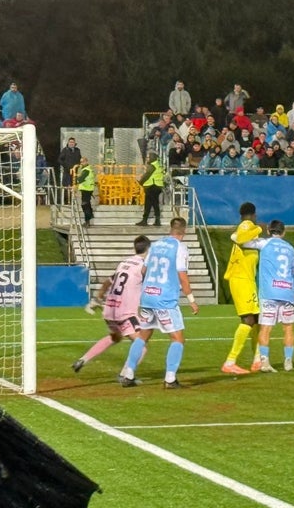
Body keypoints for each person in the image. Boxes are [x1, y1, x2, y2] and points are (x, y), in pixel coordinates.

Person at [119, 218, 200, 388]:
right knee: (177, 339)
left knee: (143, 336)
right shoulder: (180, 248)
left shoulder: (155, 245)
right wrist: (191, 300)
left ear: (171, 229)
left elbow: (143, 270)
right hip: (165, 299)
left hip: (148, 297)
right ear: (184, 231)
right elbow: (182, 276)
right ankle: (170, 379)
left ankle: (128, 374)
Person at [72, 236, 150, 376]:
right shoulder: (144, 266)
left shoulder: (124, 263)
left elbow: (108, 282)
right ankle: (125, 375)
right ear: (148, 249)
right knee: (141, 345)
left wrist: (98, 298)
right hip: (125, 313)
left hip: (110, 309)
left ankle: (83, 359)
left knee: (115, 337)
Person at [239, 220, 294, 372]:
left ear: (268, 231)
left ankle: (264, 362)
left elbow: (242, 242)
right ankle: (288, 362)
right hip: (287, 292)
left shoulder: (264, 243)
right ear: (283, 232)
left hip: (269, 293)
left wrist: (254, 230)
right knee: (289, 328)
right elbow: (292, 270)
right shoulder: (290, 248)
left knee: (265, 328)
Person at [221, 202, 262, 374]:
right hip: (241, 280)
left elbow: (238, 238)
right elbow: (240, 238)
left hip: (247, 280)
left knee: (257, 319)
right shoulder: (248, 225)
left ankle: (258, 360)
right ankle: (230, 362)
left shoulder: (247, 230)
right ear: (253, 214)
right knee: (248, 320)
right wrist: (259, 228)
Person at [135, 152, 164, 226]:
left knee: (150, 204)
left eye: (148, 157)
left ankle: (147, 220)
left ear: (152, 158)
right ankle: (155, 220)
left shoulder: (152, 165)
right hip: (157, 186)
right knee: (153, 203)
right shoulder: (159, 165)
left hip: (152, 186)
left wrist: (140, 182)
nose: (147, 159)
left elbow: (147, 175)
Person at [73, 157, 95, 227]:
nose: (81, 163)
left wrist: (75, 180)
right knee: (87, 204)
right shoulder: (87, 169)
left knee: (85, 205)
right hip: (87, 189)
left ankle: (87, 220)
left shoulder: (86, 170)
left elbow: (80, 179)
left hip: (87, 189)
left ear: (86, 162)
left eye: (82, 162)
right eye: (81, 162)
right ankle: (89, 217)